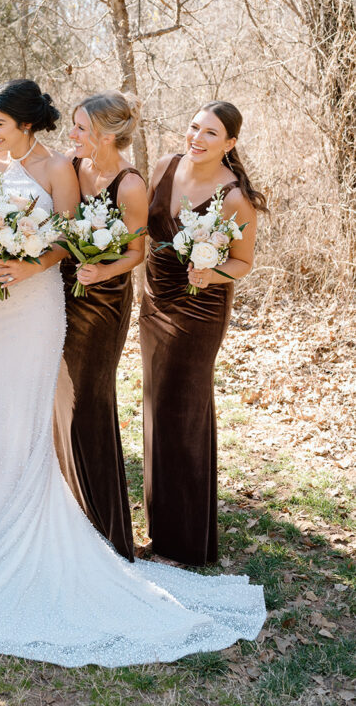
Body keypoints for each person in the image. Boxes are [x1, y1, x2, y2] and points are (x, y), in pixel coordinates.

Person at [0, 81, 265, 666]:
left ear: (25, 124)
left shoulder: (62, 168)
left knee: (36, 409)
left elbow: (64, 240)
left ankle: (40, 525)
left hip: (38, 303)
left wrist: (28, 262)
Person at [140, 100, 268, 566]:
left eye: (210, 133)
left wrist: (210, 275)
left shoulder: (234, 198)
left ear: (230, 144)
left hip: (199, 309)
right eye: (194, 127)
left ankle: (185, 542)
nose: (196, 138)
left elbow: (243, 262)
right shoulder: (163, 166)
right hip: (153, 304)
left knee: (184, 413)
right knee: (157, 409)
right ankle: (161, 529)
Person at [54, 91, 148, 560]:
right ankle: (67, 513)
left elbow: (136, 252)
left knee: (91, 399)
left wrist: (102, 271)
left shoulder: (130, 185)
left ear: (108, 135)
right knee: (61, 400)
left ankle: (105, 527)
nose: (72, 136)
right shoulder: (71, 168)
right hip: (61, 296)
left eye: (80, 128)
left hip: (104, 299)